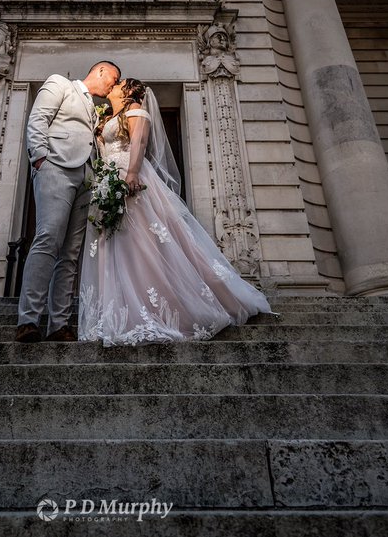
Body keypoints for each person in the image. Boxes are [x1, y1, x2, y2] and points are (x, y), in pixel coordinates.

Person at [78, 78, 275, 346]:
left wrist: (131, 174)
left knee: (142, 242)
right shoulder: (108, 117)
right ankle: (118, 312)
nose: (113, 84)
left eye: (118, 82)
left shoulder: (135, 110)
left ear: (128, 91)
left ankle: (163, 308)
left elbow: (139, 142)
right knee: (116, 243)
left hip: (128, 179)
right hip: (107, 181)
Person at [16, 60, 121, 343]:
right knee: (48, 238)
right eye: (113, 79)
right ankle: (28, 320)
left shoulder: (95, 110)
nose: (113, 85)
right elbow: (39, 118)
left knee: (71, 253)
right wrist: (39, 157)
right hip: (56, 168)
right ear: (100, 71)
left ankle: (58, 324)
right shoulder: (60, 83)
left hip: (86, 179)